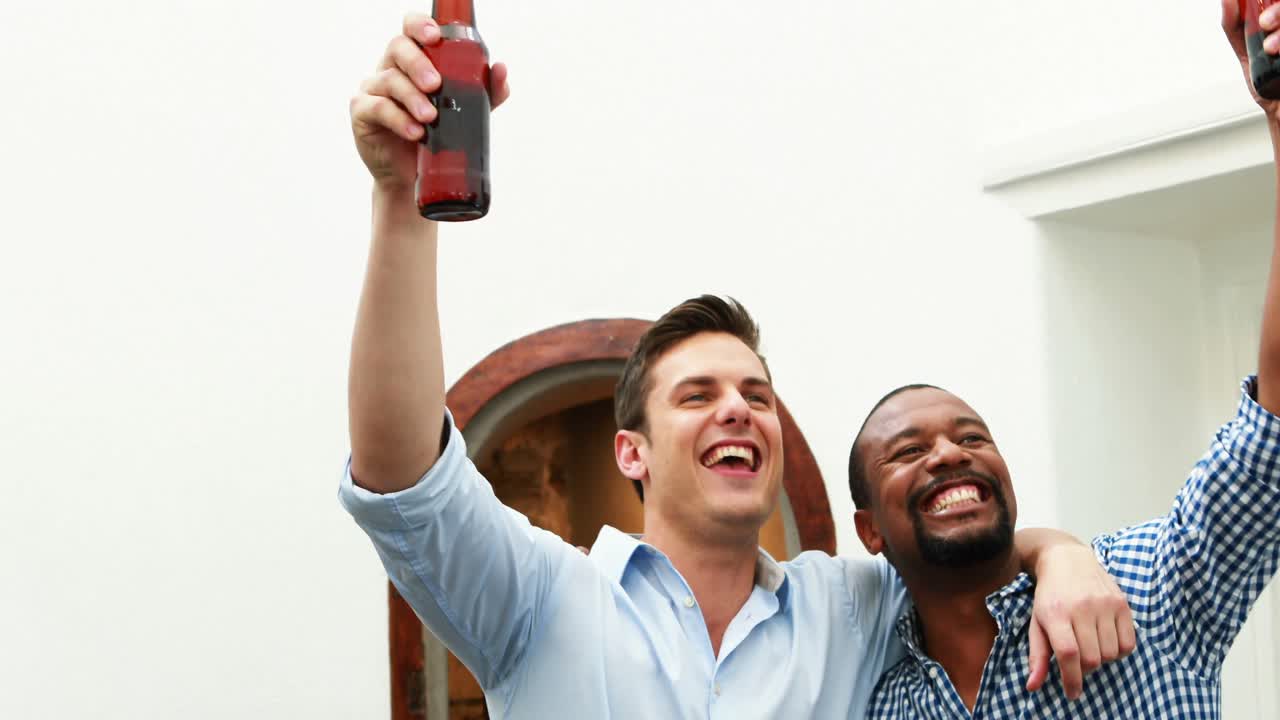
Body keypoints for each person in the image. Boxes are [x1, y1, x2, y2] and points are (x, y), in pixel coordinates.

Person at [340, 13, 1134, 718]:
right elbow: (405, 480)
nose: (738, 409)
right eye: (697, 395)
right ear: (632, 452)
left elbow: (963, 548)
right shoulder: (539, 597)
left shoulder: (850, 609)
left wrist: (1061, 554)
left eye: (757, 395)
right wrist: (399, 204)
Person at [854, 6, 1280, 716]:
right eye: (908, 451)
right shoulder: (881, 700)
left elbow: (1270, 428)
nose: (950, 454)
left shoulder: (1144, 588)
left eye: (972, 437)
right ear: (869, 530)